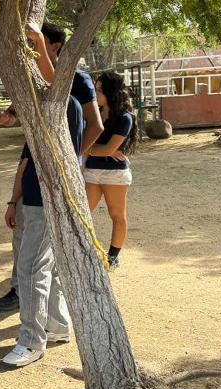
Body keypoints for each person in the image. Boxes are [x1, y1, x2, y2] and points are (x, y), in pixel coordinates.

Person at [0, 22, 104, 311]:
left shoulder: (77, 82)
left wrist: (70, 158)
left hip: (58, 169)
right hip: (34, 155)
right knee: (23, 230)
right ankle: (22, 290)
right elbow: (32, 104)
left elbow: (95, 125)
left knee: (50, 243)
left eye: (36, 46)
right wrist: (11, 115)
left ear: (53, 46)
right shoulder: (32, 78)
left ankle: (50, 310)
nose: (32, 53)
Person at [83, 71, 138, 270]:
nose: (95, 94)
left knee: (117, 215)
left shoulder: (124, 118)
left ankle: (113, 257)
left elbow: (107, 149)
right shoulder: (92, 113)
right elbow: (105, 150)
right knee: (81, 212)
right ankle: (84, 251)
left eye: (99, 90)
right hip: (92, 171)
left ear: (110, 92)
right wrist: (100, 151)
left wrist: (90, 149)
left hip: (114, 174)